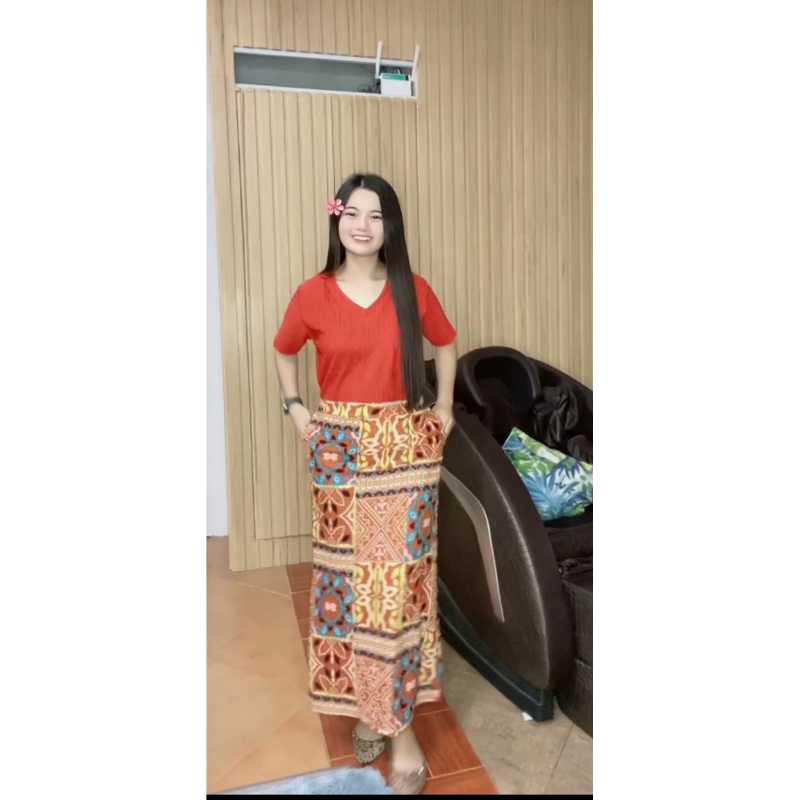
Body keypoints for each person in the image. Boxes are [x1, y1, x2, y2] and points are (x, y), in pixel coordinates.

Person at [273, 173, 457, 794]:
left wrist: (445, 409)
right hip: (341, 455)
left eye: (376, 216)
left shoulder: (413, 290)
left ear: (390, 227)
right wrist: (297, 411)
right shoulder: (313, 294)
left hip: (403, 449)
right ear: (338, 219)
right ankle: (367, 708)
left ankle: (398, 727)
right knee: (349, 590)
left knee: (398, 592)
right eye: (352, 213)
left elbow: (446, 345)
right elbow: (284, 350)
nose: (362, 225)